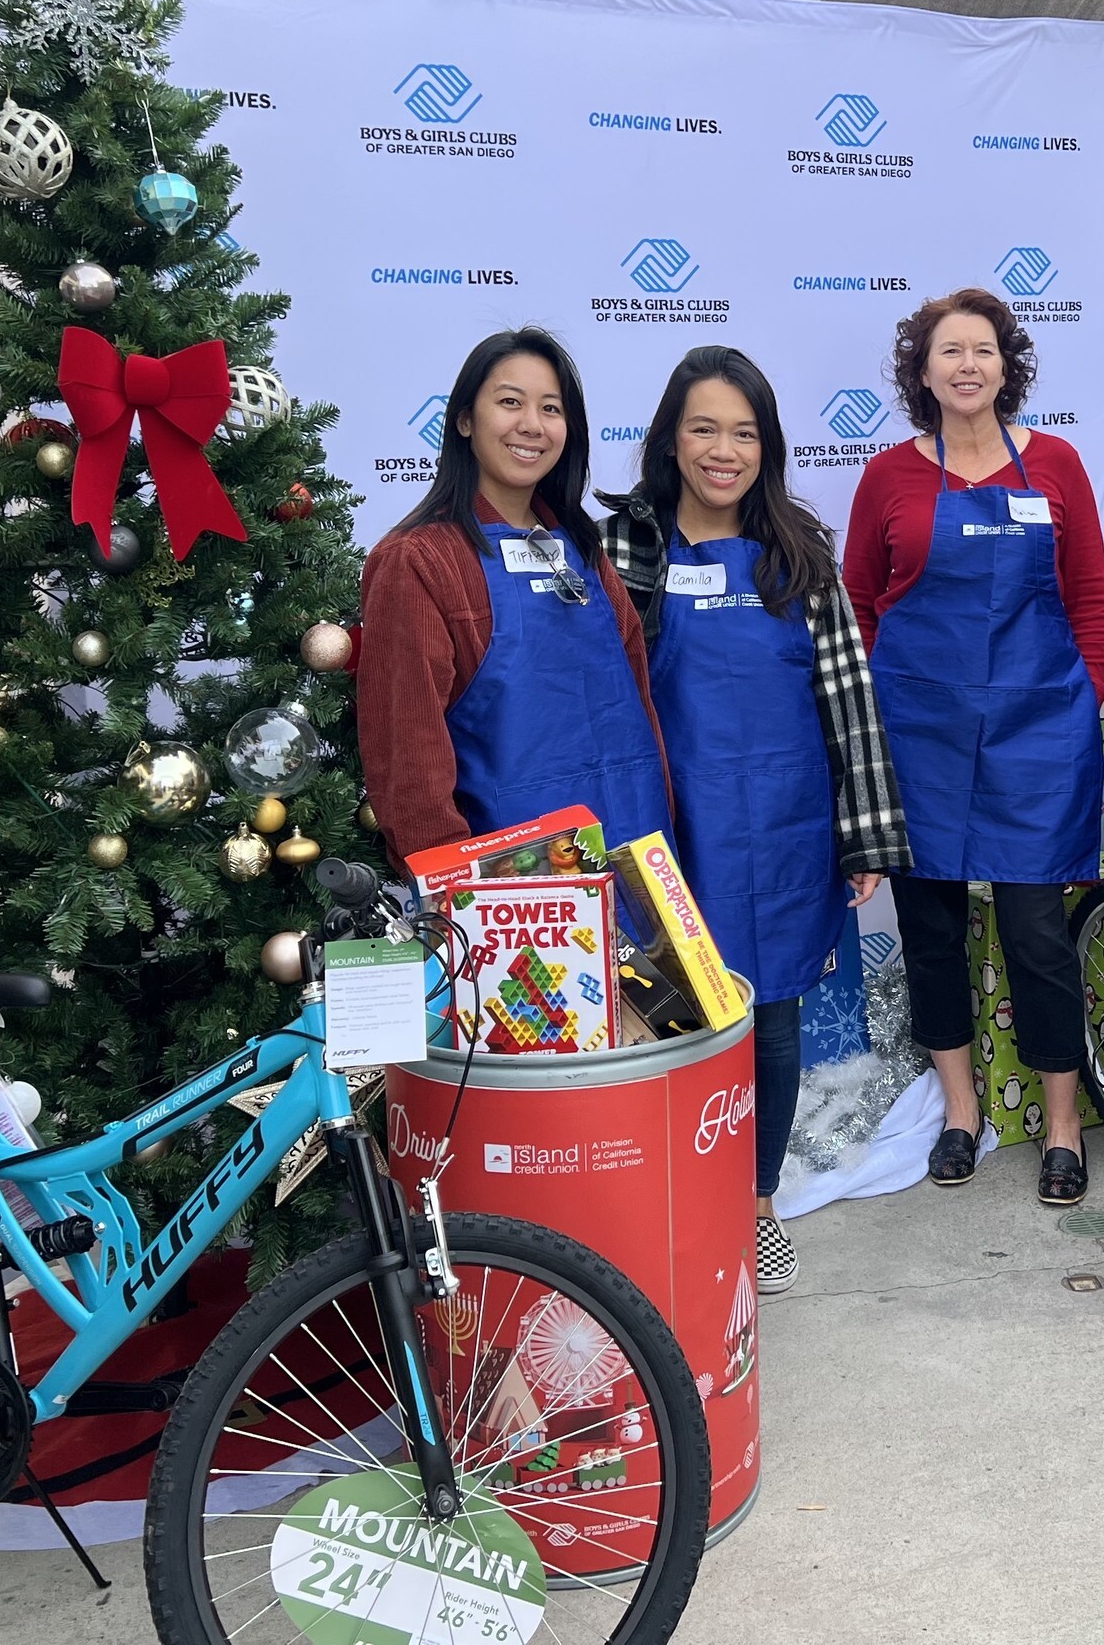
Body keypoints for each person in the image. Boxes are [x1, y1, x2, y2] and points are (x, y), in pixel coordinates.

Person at [601, 347, 912, 1291]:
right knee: (661, 1017)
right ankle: (663, 1203)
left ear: (767, 446)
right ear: (669, 439)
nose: (723, 450)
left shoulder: (799, 554)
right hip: (668, 827)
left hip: (782, 825)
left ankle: (757, 1201)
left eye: (744, 431)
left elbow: (849, 703)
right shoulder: (625, 550)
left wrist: (864, 832)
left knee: (769, 1022)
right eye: (704, 428)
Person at [843, 289, 1104, 1207]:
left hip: (1038, 731)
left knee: (1038, 933)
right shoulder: (886, 477)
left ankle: (1063, 1125)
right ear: (922, 371)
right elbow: (864, 609)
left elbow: (1088, 601)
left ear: (1008, 366)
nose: (967, 365)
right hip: (920, 733)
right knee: (931, 932)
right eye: (948, 351)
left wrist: (1084, 705)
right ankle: (961, 1113)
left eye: (984, 350)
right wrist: (874, 732)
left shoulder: (1060, 465)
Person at [359, 326, 671, 877]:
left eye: (551, 408)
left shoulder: (583, 552)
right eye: (509, 402)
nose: (531, 424)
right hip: (514, 896)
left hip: (633, 859)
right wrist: (456, 895)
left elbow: (639, 713)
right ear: (463, 420)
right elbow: (407, 760)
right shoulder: (420, 560)